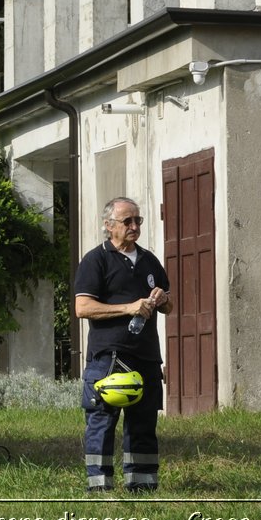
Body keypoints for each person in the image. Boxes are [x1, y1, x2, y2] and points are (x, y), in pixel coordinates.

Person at [74, 196, 173, 493]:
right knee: (102, 423)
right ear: (108, 226)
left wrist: (163, 299)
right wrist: (128, 308)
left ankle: (142, 488)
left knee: (143, 425)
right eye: (127, 221)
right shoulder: (96, 260)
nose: (134, 226)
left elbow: (168, 306)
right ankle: (99, 488)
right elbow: (82, 308)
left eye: (138, 220)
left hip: (146, 356)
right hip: (109, 356)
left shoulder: (149, 260)